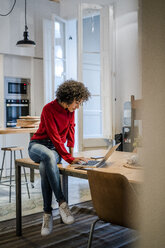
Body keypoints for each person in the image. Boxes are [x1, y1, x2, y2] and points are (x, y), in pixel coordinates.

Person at [28, 79, 91, 236]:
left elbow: (70, 131)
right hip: (37, 145)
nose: (77, 106)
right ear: (69, 97)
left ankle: (47, 214)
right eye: (77, 102)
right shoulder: (48, 109)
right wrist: (68, 158)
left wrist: (72, 154)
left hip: (54, 151)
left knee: (45, 166)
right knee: (47, 156)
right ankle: (62, 203)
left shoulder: (70, 111)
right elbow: (55, 136)